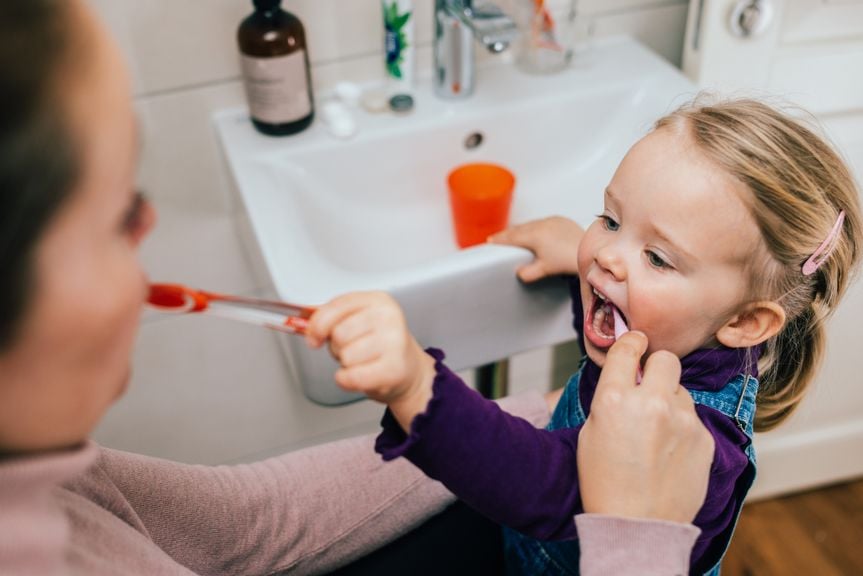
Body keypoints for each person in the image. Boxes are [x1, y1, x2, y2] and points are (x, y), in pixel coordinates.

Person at [0, 1, 715, 574]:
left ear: (746, 321)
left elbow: (237, 525)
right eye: (119, 210)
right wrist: (639, 544)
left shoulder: (46, 475)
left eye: (655, 253)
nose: (151, 223)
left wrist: (472, 403)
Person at [307, 98, 863, 574]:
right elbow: (618, 340)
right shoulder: (677, 328)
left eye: (657, 257)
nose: (605, 254)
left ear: (744, 322)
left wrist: (414, 387)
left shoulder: (700, 451)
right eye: (612, 219)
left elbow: (538, 480)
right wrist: (580, 271)